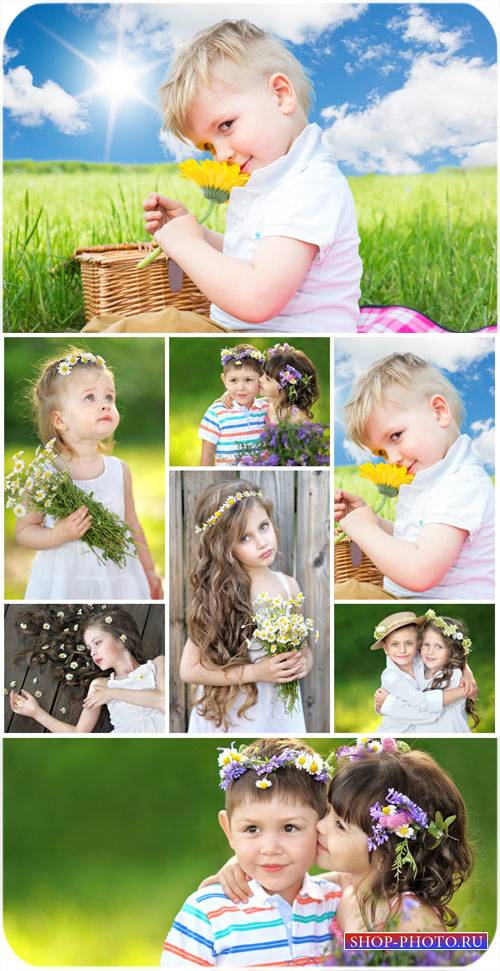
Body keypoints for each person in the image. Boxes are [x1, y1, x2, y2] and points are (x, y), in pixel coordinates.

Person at [144, 19, 361, 334]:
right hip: (242, 333)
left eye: (226, 126)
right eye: (207, 146)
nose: (221, 155)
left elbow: (257, 298)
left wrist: (187, 245)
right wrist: (200, 235)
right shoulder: (273, 180)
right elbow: (253, 259)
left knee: (153, 326)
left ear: (281, 94)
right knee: (125, 326)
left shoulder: (310, 187)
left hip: (279, 339)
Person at [206, 737, 474, 939]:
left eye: (339, 825)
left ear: (386, 851)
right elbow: (286, 879)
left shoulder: (409, 919)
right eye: (328, 812)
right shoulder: (349, 888)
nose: (319, 826)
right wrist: (241, 865)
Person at [161, 738, 341, 966]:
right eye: (252, 829)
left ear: (322, 823)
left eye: (289, 828)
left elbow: (395, 948)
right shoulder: (206, 913)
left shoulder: (337, 904)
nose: (270, 849)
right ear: (229, 829)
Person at [335, 352, 494, 599]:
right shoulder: (434, 478)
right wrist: (376, 523)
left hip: (431, 600)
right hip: (408, 596)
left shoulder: (462, 485)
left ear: (439, 411)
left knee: (346, 593)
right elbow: (420, 540)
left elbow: (421, 571)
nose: (393, 459)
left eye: (396, 436)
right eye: (381, 453)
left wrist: (364, 530)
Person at [14, 348, 163, 599]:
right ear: (60, 420)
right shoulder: (47, 474)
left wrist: (149, 572)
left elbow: (132, 524)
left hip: (118, 576)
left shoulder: (119, 470)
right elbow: (24, 531)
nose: (105, 404)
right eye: (89, 398)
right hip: (66, 581)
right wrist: (57, 534)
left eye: (109, 397)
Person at [180, 480, 312, 733]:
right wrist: (256, 672)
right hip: (234, 712)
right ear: (224, 547)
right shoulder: (219, 595)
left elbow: (302, 646)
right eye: (244, 538)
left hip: (280, 709)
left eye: (264, 527)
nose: (262, 542)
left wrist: (303, 661)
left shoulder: (289, 587)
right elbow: (188, 670)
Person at [9, 606, 165, 733]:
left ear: (121, 637)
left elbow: (165, 702)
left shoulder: (157, 665)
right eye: (90, 648)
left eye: (97, 643)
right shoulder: (100, 686)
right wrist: (36, 712)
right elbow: (79, 734)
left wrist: (112, 693)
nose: (93, 652)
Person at [371, 611, 477, 734]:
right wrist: (387, 704)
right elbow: (424, 709)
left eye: (409, 643)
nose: (402, 650)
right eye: (395, 644)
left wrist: (467, 672)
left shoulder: (421, 658)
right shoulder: (392, 678)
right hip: (398, 732)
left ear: (417, 643)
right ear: (386, 648)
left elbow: (452, 652)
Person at [199, 344, 268, 466]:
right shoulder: (216, 413)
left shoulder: (266, 409)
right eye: (233, 380)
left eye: (248, 380)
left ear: (260, 379)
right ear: (224, 380)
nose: (240, 387)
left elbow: (282, 399)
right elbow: (208, 454)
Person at [258, 342, 319, 425]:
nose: (260, 379)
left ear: (285, 388)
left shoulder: (295, 415)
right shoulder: (265, 403)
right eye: (262, 374)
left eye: (267, 379)